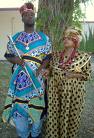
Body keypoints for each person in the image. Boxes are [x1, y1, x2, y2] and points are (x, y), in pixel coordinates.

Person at [2, 2, 51, 138]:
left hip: (37, 80)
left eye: (32, 14)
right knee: (20, 110)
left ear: (34, 17)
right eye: (26, 15)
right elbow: (8, 54)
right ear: (22, 18)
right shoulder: (15, 38)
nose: (29, 16)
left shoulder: (44, 38)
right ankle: (23, 134)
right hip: (19, 82)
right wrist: (16, 60)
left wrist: (41, 68)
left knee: (37, 110)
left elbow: (48, 56)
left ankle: (35, 133)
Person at [41, 26, 91, 138]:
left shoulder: (84, 57)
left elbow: (87, 76)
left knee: (71, 116)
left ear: (75, 41)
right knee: (55, 114)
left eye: (69, 38)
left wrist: (73, 74)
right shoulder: (56, 55)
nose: (65, 40)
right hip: (55, 91)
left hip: (74, 93)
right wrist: (47, 71)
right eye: (64, 38)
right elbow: (51, 70)